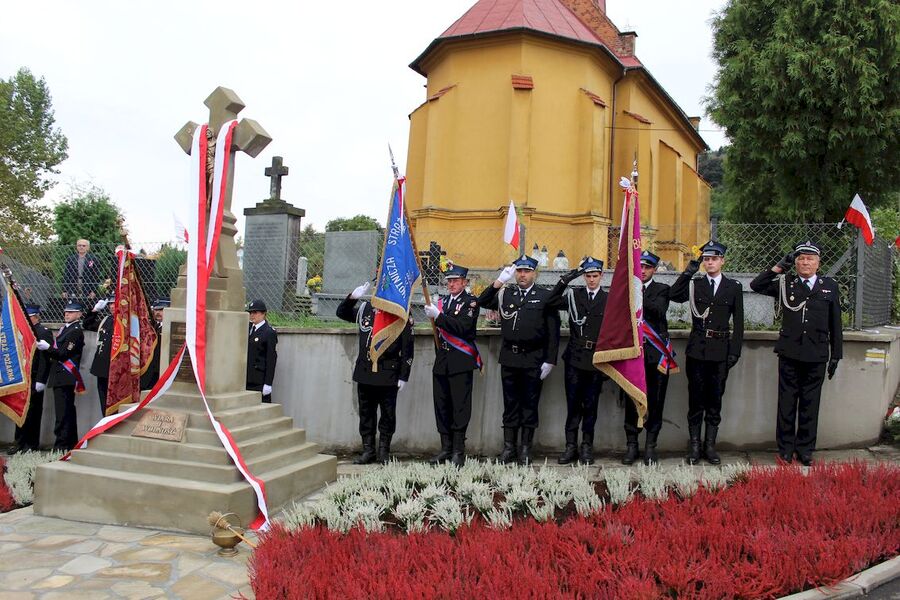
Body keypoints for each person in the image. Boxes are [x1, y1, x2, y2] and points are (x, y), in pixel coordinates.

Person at [750, 241, 842, 466]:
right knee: (787, 403)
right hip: (790, 353)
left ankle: (805, 450)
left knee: (811, 404)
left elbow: (835, 323)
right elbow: (756, 285)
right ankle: (785, 449)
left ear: (818, 262)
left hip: (817, 354)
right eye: (801, 258)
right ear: (796, 262)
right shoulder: (786, 283)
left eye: (810, 258)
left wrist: (836, 355)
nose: (805, 262)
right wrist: (779, 267)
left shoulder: (829, 286)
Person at [477, 255, 562, 465]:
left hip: (534, 358)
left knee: (530, 405)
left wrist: (550, 360)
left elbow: (553, 330)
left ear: (535, 273)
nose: (522, 275)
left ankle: (525, 449)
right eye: (519, 271)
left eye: (526, 271)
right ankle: (509, 448)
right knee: (510, 404)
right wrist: (499, 281)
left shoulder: (544, 296)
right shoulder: (507, 293)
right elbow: (482, 301)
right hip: (510, 358)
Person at [670, 241, 744, 465]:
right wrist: (688, 272)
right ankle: (694, 446)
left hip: (720, 351)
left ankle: (710, 445)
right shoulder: (695, 285)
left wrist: (735, 352)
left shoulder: (733, 287)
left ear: (722, 261)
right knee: (696, 400)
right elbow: (674, 294)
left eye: (714, 259)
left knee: (715, 400)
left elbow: (739, 323)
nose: (709, 262)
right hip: (697, 352)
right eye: (706, 259)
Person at [336, 282, 413, 464]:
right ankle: (368, 451)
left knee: (387, 415)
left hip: (388, 373)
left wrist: (404, 375)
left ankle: (384, 452)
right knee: (366, 414)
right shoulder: (365, 309)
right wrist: (352, 298)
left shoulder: (398, 311)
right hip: (365, 372)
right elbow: (341, 313)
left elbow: (408, 346)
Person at [547, 256, 607, 465]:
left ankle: (587, 447)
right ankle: (570, 446)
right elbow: (550, 302)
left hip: (596, 360)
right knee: (573, 405)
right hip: (574, 358)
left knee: (591, 405)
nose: (591, 280)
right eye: (588, 276)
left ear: (601, 276)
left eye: (595, 276)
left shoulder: (608, 299)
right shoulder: (574, 295)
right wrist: (566, 279)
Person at [423, 264, 481, 467]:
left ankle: (458, 450)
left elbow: (463, 328)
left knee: (460, 406)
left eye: (455, 280)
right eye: (449, 280)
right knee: (442, 405)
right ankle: (445, 448)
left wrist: (438, 317)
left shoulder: (471, 303)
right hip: (443, 361)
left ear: (465, 282)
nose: (451, 284)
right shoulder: (442, 302)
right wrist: (436, 315)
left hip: (460, 361)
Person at [623, 250, 676, 466]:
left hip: (655, 356)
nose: (642, 271)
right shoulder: (625, 288)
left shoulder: (661, 289)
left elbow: (658, 310)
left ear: (654, 269)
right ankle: (632, 444)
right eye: (639, 267)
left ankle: (651, 445)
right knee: (631, 400)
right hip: (633, 354)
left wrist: (637, 293)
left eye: (646, 267)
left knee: (655, 399)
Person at [36, 301, 86, 451]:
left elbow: (63, 354)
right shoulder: (66, 329)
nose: (67, 314)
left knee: (63, 414)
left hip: (65, 376)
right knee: (66, 412)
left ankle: (62, 446)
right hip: (60, 376)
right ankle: (69, 443)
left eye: (71, 312)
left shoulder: (75, 331)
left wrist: (48, 348)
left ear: (79, 314)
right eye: (66, 312)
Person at [10, 305, 53, 453]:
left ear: (36, 317)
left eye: (30, 316)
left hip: (35, 378)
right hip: (23, 377)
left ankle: (31, 444)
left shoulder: (43, 332)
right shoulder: (22, 330)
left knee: (34, 412)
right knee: (20, 410)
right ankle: (19, 442)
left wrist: (41, 379)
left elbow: (45, 358)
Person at [82, 296, 114, 417]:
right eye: (110, 304)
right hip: (101, 367)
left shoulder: (125, 321)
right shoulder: (106, 319)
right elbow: (87, 324)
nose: (111, 306)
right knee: (103, 398)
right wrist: (95, 310)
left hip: (115, 366)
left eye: (114, 303)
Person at [246, 300, 278, 403]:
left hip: (259, 379)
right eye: (250, 312)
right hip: (247, 376)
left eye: (255, 312)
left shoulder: (268, 332)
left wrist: (268, 383)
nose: (252, 315)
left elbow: (271, 359)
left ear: (263, 313)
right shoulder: (248, 328)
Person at [141, 298, 168, 391]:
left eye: (161, 310)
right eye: (156, 310)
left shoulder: (168, 327)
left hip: (160, 369)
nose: (157, 313)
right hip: (150, 368)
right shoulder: (153, 327)